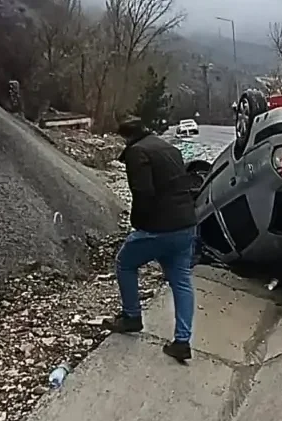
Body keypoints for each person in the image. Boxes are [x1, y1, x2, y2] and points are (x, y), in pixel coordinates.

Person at [103, 117, 198, 363]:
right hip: (186, 224)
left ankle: (132, 316)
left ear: (126, 137)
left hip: (160, 228)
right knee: (181, 281)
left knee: (125, 262)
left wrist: (139, 225)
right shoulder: (168, 147)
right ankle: (182, 341)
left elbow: (143, 193)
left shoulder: (137, 153)